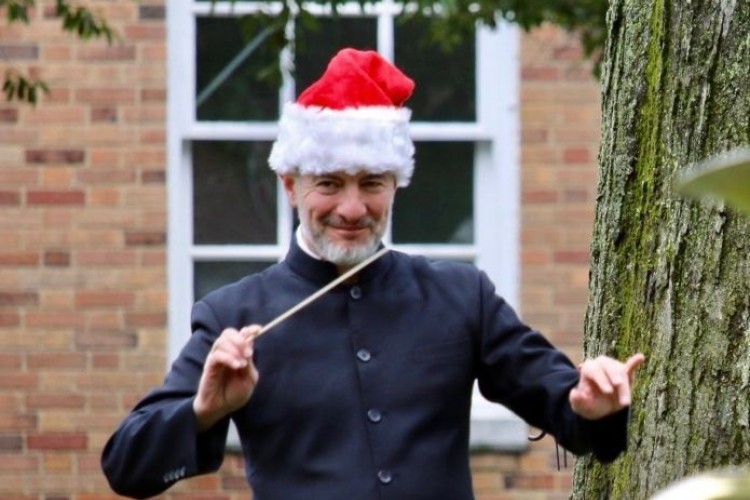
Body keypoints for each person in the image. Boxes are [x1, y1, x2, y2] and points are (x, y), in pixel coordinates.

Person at [101, 48, 645, 499]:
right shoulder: (234, 315)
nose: (353, 208)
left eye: (372, 183)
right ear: (290, 185)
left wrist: (591, 407)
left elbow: (569, 409)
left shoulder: (461, 297)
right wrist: (202, 412)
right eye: (330, 183)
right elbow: (126, 464)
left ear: (397, 183)